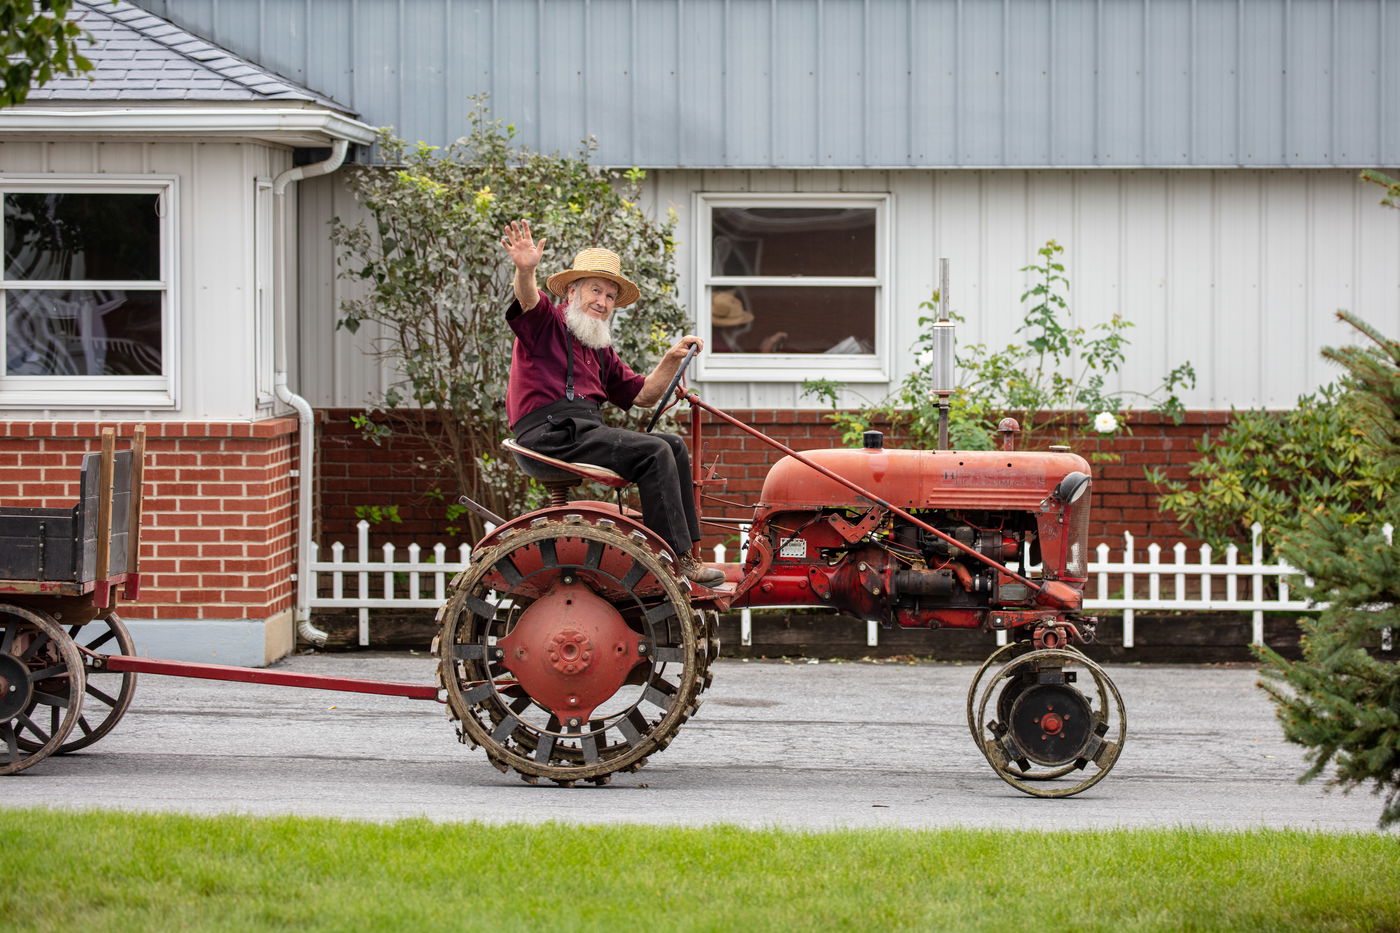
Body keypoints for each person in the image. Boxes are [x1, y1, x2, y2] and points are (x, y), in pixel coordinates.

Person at [500, 219, 727, 588]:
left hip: (583, 432)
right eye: (595, 290)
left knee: (672, 444)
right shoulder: (547, 323)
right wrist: (526, 269)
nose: (602, 302)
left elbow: (642, 396)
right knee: (654, 450)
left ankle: (688, 553)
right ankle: (673, 562)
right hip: (549, 433)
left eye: (609, 296)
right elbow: (528, 298)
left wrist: (671, 358)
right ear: (572, 291)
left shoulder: (599, 348)